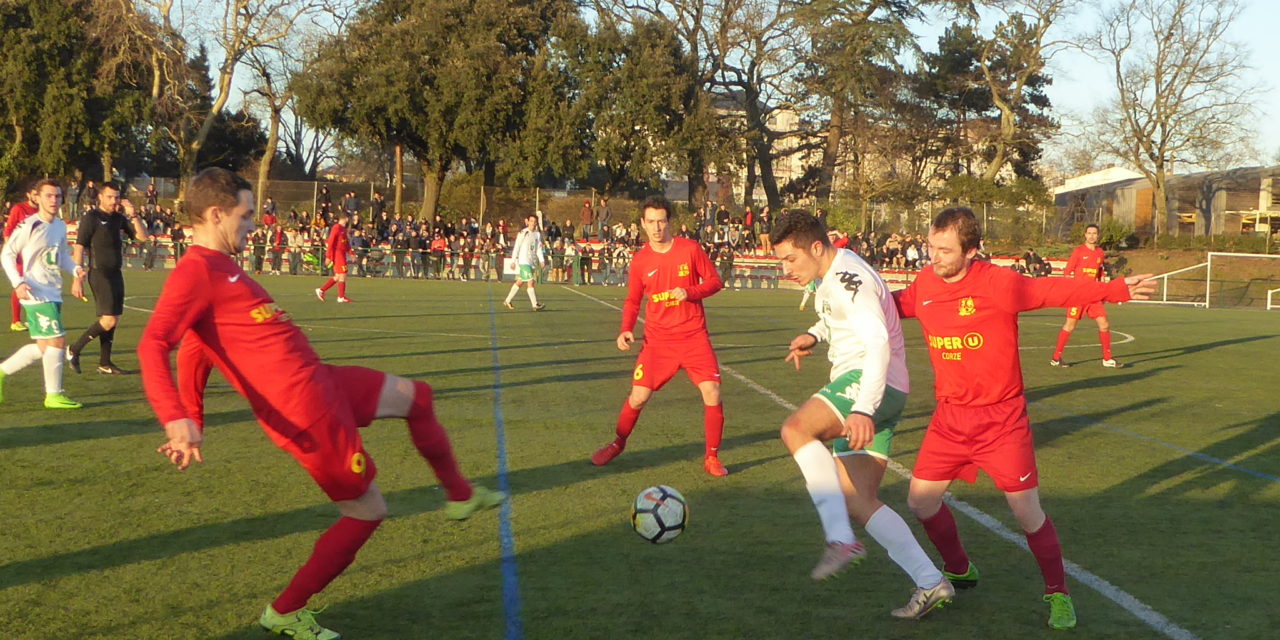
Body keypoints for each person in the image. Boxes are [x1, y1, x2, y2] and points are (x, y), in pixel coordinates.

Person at [137, 168, 505, 640]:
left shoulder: (224, 265)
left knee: (418, 396)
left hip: (322, 382)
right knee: (368, 511)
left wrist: (196, 416)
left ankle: (459, 495)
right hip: (304, 412)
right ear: (214, 214)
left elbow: (196, 348)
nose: (254, 224)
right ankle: (285, 612)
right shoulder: (196, 271)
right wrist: (177, 418)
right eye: (245, 215)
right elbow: (155, 343)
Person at [893, 207, 1155, 630]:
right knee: (920, 501)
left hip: (1002, 420)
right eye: (930, 246)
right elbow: (891, 306)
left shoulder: (999, 283)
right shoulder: (925, 282)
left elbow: (1055, 290)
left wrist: (1116, 288)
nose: (933, 256)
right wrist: (834, 314)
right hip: (950, 418)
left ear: (972, 250)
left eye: (944, 249)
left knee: (1026, 515)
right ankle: (960, 568)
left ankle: (1058, 593)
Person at [772, 212, 952, 618]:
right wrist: (814, 334)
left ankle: (839, 540)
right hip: (885, 388)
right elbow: (839, 317)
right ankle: (930, 581)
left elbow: (877, 342)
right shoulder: (834, 271)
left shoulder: (847, 279)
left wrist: (862, 408)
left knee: (796, 430)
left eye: (790, 260)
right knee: (859, 499)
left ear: (816, 248)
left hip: (872, 382)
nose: (786, 270)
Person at [590, 195, 728, 477]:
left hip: (693, 337)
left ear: (669, 222)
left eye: (661, 221)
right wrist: (626, 329)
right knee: (638, 397)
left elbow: (715, 282)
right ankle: (618, 443)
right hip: (658, 342)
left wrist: (690, 292)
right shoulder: (640, 261)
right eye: (651, 222)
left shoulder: (689, 249)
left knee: (712, 392)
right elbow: (632, 301)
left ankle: (712, 457)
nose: (656, 228)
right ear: (643, 223)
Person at [0, 179, 86, 409]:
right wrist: (18, 283)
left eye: (58, 196)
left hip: (53, 291)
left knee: (44, 347)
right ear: (37, 197)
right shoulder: (29, 224)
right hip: (35, 292)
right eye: (49, 195)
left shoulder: (58, 225)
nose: (54, 200)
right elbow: (7, 254)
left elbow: (62, 256)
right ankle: (53, 395)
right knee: (58, 340)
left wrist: (75, 269)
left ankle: (1, 372)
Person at [68, 181, 151, 375]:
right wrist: (76, 277)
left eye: (116, 197)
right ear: (100, 197)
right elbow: (79, 247)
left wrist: (133, 214)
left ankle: (105, 363)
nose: (113, 201)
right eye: (109, 197)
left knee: (114, 318)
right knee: (108, 320)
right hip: (99, 273)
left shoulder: (119, 218)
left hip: (115, 273)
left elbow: (143, 237)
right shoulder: (91, 218)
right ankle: (74, 349)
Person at [1051, 224, 1119, 367]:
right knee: (1070, 326)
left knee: (1104, 324)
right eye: (1089, 233)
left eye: (1094, 233)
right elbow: (1067, 272)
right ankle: (1056, 357)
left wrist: (1102, 292)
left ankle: (1107, 359)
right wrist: (1069, 291)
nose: (1092, 236)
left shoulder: (1100, 253)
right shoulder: (1078, 252)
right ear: (1085, 235)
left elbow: (1099, 273)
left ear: (1098, 235)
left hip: (1093, 296)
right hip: (1078, 296)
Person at [4, 182, 39, 331]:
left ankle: (34, 319)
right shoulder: (19, 209)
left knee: (36, 285)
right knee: (20, 284)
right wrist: (11, 251)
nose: (37, 197)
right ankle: (16, 320)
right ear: (29, 195)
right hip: (20, 255)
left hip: (36, 255)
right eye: (35, 194)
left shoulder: (43, 211)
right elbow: (8, 230)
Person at [502, 213, 546, 311]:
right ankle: (535, 304)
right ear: (527, 222)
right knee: (530, 281)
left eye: (535, 222)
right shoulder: (523, 233)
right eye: (531, 221)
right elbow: (517, 246)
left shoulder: (537, 234)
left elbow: (538, 248)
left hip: (531, 261)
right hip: (523, 261)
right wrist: (513, 261)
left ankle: (507, 300)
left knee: (520, 282)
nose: (533, 223)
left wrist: (541, 260)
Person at [315, 211, 353, 303]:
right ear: (346, 218)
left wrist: (351, 252)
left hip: (342, 253)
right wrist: (328, 256)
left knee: (338, 276)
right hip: (338, 254)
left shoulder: (343, 229)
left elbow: (346, 242)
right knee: (343, 274)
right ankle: (341, 297)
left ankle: (321, 290)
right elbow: (331, 242)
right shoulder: (336, 228)